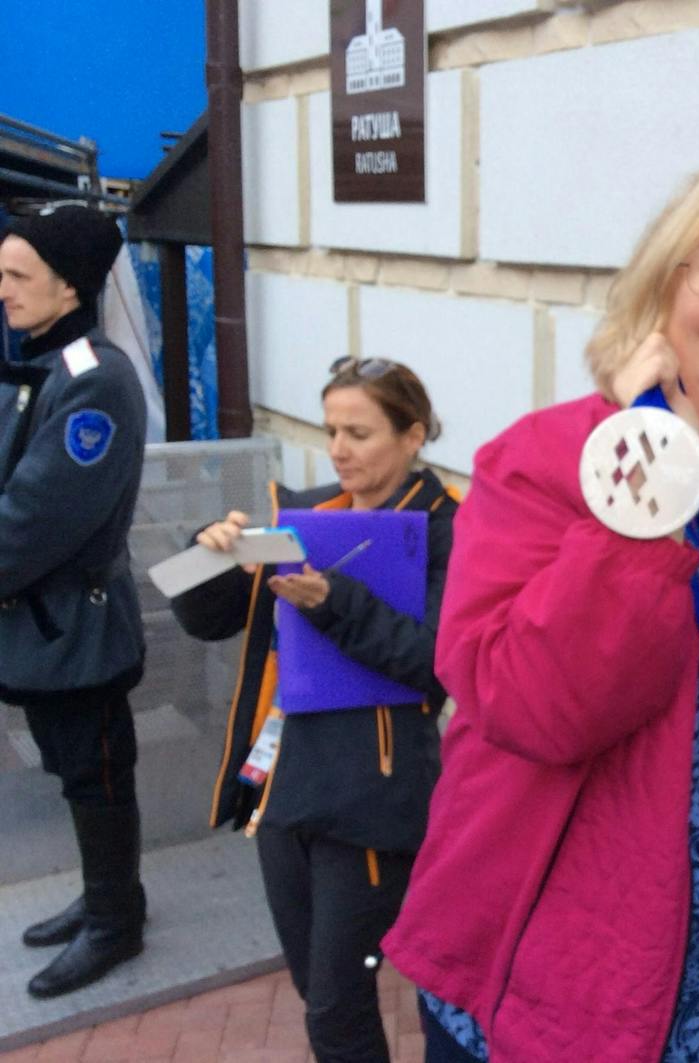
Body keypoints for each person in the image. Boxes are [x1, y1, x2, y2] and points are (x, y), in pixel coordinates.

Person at [382, 154, 699, 1063]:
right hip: (571, 1013)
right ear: (665, 287)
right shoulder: (547, 461)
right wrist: (650, 464)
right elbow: (535, 706)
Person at [172, 358, 456, 1062]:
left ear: (412, 434)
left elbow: (438, 663)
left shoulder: (447, 528)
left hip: (370, 801)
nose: (338, 447)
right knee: (317, 991)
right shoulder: (309, 511)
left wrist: (336, 604)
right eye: (332, 429)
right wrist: (206, 556)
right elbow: (207, 621)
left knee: (336, 1007)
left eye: (359, 431)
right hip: (284, 789)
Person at [0, 206, 148, 999]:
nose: (2, 292)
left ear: (69, 287)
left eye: (18, 277)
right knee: (74, 769)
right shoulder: (50, 365)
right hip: (45, 628)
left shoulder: (94, 382)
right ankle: (108, 897)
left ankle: (116, 923)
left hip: (77, 630)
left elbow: (30, 522)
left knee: (97, 774)